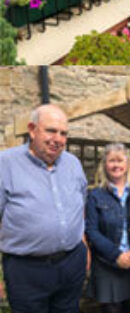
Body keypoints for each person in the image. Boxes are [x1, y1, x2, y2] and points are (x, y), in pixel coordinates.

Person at [0, 104, 89, 313]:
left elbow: (80, 208)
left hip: (71, 263)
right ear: (32, 129)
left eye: (63, 133)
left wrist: (84, 247)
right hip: (26, 270)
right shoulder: (5, 164)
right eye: (51, 130)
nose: (57, 139)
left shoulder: (73, 164)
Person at [85, 144, 130, 313]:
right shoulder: (95, 195)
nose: (116, 165)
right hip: (107, 265)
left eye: (120, 160)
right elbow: (91, 231)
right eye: (111, 161)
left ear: (127, 165)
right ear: (104, 164)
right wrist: (116, 255)